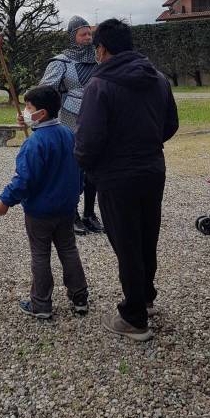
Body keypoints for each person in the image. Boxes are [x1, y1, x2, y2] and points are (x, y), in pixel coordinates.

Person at [74, 18, 178, 341]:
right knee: (148, 235)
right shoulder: (158, 78)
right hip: (152, 169)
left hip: (117, 176)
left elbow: (88, 141)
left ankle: (134, 317)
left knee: (126, 243)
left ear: (102, 49)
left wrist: (89, 165)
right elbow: (171, 124)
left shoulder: (100, 85)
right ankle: (145, 296)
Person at [0, 85, 89, 319]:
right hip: (67, 208)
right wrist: (76, 192)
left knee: (40, 255)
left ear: (42, 113)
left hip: (40, 212)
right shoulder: (68, 134)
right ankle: (80, 298)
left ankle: (41, 304)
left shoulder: (35, 144)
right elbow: (80, 171)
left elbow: (24, 179)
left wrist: (5, 201)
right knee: (68, 250)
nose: (24, 111)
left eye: (28, 107)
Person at [39, 16, 102, 235]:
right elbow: (44, 92)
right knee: (73, 169)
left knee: (94, 169)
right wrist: (41, 115)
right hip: (69, 119)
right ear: (72, 37)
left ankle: (89, 214)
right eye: (83, 34)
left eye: (89, 34)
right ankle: (71, 213)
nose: (88, 38)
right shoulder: (61, 62)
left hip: (96, 119)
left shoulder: (99, 60)